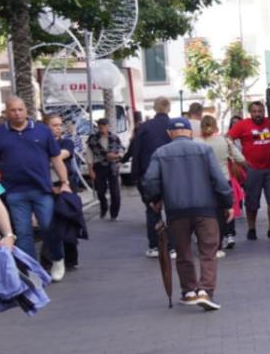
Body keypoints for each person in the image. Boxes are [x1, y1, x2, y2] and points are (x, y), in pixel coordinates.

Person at [142, 117, 232, 311]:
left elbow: (150, 181)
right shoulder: (204, 150)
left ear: (169, 134)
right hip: (205, 209)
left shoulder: (160, 153)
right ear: (191, 132)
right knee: (208, 251)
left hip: (176, 211)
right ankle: (205, 291)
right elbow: (219, 179)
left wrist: (155, 199)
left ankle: (189, 291)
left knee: (183, 252)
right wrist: (228, 203)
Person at [0, 97, 71, 281]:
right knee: (23, 233)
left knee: (48, 227)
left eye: (20, 109)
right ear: (6, 112)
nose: (17, 113)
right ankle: (31, 270)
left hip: (42, 189)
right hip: (14, 191)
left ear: (26, 110)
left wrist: (65, 182)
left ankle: (58, 259)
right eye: (12, 110)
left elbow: (56, 158)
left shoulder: (42, 130)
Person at [228, 99, 270, 240]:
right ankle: (251, 229)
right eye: (254, 111)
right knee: (252, 201)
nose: (257, 114)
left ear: (264, 112)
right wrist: (237, 158)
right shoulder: (243, 125)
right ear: (250, 113)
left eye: (260, 111)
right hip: (252, 169)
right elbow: (228, 139)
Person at [130, 96, 176, 257]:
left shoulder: (144, 127)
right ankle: (172, 246)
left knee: (152, 209)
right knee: (172, 210)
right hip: (171, 173)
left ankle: (154, 245)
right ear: (168, 108)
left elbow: (136, 151)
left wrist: (136, 174)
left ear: (155, 108)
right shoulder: (174, 126)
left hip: (149, 174)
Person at [199, 114, 248, 251]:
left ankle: (213, 239)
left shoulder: (198, 143)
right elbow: (240, 158)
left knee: (210, 212)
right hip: (225, 180)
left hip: (206, 182)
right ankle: (229, 235)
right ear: (216, 126)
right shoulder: (225, 141)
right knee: (227, 208)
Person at [87, 117, 124, 219]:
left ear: (108, 126)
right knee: (101, 191)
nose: (102, 128)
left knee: (115, 192)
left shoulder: (115, 138)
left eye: (104, 126)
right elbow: (89, 154)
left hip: (112, 166)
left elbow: (121, 150)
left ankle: (114, 214)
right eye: (100, 126)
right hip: (99, 166)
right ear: (98, 127)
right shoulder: (93, 139)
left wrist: (118, 158)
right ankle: (104, 207)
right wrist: (90, 169)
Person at [44, 115, 83, 191]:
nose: (59, 128)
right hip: (46, 185)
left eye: (60, 125)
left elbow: (58, 156)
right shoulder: (40, 144)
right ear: (45, 127)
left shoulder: (67, 143)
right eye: (55, 125)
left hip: (66, 184)